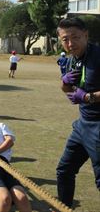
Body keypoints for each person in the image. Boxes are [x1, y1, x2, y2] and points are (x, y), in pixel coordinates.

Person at [56, 17, 100, 208]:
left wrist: (87, 97)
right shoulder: (70, 60)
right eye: (65, 39)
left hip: (99, 127)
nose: (70, 43)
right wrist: (65, 83)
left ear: (86, 35)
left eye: (75, 37)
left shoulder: (98, 55)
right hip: (82, 125)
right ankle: (63, 207)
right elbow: (68, 90)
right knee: (64, 170)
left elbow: (84, 96)